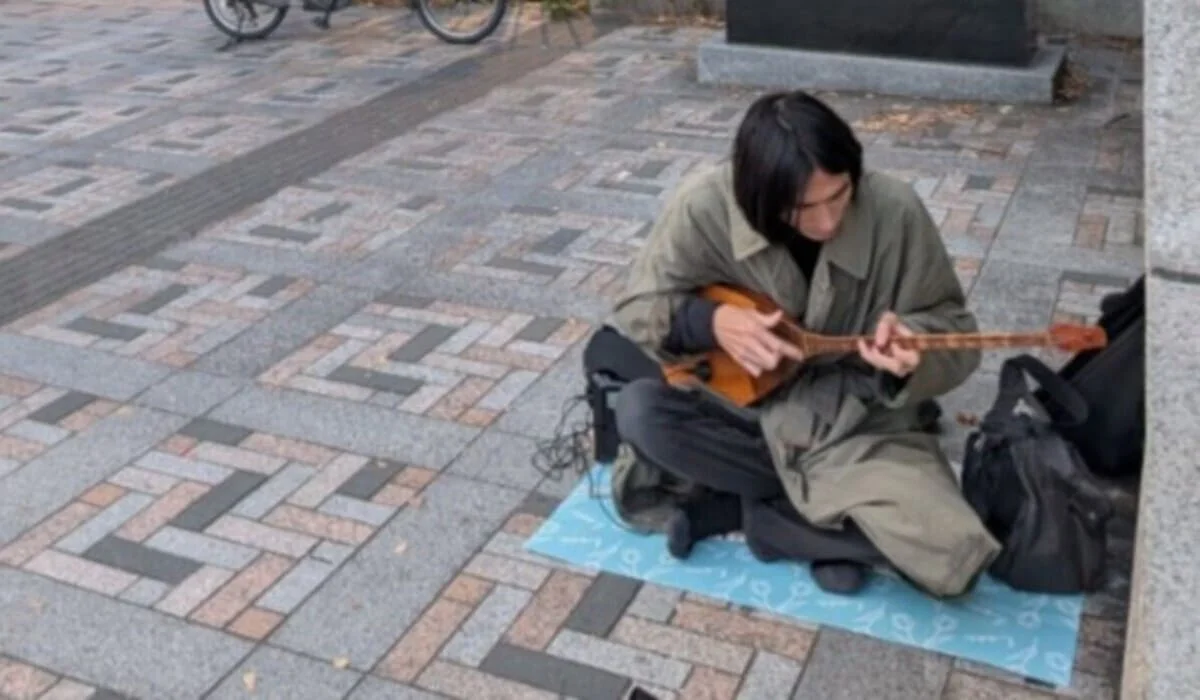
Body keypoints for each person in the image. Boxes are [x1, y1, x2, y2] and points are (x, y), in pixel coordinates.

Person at [605, 90, 1001, 597]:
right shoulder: (704, 207)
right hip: (744, 408)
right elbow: (638, 306)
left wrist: (912, 353)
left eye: (839, 195)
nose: (828, 222)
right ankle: (825, 527)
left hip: (853, 424)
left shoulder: (894, 210)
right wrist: (713, 322)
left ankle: (757, 518)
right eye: (803, 208)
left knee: (956, 551)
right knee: (641, 412)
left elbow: (955, 330)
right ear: (758, 194)